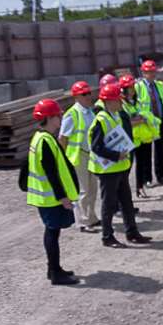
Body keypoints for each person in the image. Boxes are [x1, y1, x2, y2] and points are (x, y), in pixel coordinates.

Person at [20, 99, 81, 285]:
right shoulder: (45, 141)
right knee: (52, 233)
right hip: (50, 199)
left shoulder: (40, 137)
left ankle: (53, 269)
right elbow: (51, 173)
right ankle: (55, 272)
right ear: (49, 118)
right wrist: (62, 197)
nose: (60, 119)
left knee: (52, 232)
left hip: (47, 197)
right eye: (58, 116)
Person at [88, 81, 150, 247]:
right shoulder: (100, 120)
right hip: (107, 169)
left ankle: (132, 232)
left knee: (127, 202)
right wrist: (117, 155)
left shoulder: (116, 116)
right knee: (108, 203)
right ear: (108, 102)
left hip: (120, 166)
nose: (121, 102)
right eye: (117, 100)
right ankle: (107, 236)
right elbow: (96, 147)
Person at [59, 81, 101, 232]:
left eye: (89, 93)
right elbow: (63, 138)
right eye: (84, 94)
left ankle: (92, 217)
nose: (88, 96)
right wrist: (63, 159)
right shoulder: (72, 114)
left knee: (93, 188)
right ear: (76, 97)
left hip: (91, 154)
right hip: (79, 156)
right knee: (83, 190)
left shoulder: (90, 111)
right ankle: (83, 221)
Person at [121, 75, 160, 198]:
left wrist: (139, 119)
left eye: (133, 87)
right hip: (129, 140)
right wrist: (139, 120)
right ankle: (123, 195)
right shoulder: (122, 104)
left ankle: (139, 188)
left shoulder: (136, 102)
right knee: (126, 169)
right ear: (123, 89)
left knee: (141, 165)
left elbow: (142, 116)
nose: (132, 90)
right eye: (129, 88)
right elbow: (126, 123)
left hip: (141, 138)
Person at [133, 59, 163, 188]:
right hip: (146, 124)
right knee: (146, 153)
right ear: (143, 72)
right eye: (149, 72)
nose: (152, 74)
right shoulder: (138, 87)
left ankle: (161, 176)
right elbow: (135, 105)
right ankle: (146, 179)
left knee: (160, 151)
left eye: (153, 71)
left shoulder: (159, 85)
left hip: (160, 121)